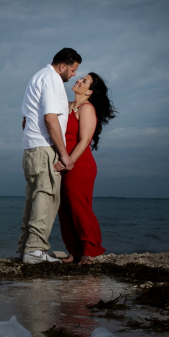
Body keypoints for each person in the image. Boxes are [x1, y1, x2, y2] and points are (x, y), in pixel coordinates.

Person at [17, 48, 81, 264]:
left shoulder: (37, 77)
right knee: (47, 196)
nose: (73, 75)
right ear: (62, 66)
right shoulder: (52, 79)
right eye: (72, 70)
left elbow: (26, 119)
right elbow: (50, 119)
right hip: (44, 148)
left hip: (31, 148)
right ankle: (35, 251)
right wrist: (64, 155)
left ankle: (25, 249)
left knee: (33, 199)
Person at [55, 73, 116, 264]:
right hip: (65, 161)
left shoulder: (87, 108)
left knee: (79, 207)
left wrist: (68, 162)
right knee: (64, 208)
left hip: (79, 164)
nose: (79, 80)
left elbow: (84, 141)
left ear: (89, 91)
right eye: (81, 78)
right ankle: (75, 251)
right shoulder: (66, 107)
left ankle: (92, 251)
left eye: (84, 81)